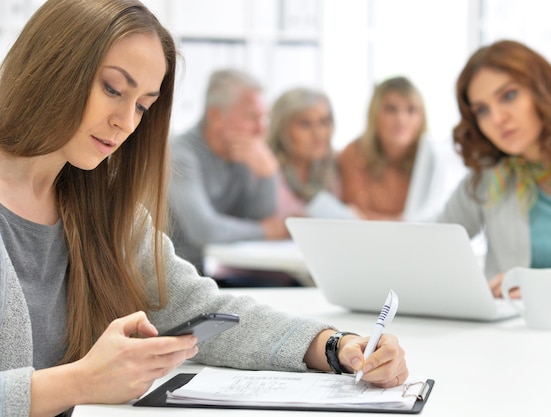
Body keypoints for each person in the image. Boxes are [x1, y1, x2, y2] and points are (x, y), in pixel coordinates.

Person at [0, 1, 408, 416]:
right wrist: (79, 382)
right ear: (53, 66)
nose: (126, 120)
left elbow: (204, 312)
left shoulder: (99, 204)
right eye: (112, 89)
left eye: (142, 105)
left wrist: (338, 347)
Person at [438, 39, 551, 345]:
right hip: (515, 352)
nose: (497, 119)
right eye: (482, 110)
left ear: (543, 91)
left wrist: (543, 292)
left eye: (508, 96)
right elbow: (431, 250)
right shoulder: (490, 179)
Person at [168, 68, 289, 274]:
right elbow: (204, 231)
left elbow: (257, 218)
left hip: (212, 273)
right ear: (215, 116)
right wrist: (268, 231)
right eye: (252, 118)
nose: (262, 130)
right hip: (174, 277)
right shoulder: (179, 154)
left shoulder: (239, 153)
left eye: (264, 118)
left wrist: (268, 174)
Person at [337, 76, 431, 220]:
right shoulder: (354, 153)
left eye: (411, 110)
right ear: (374, 114)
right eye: (391, 110)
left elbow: (433, 216)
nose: (401, 119)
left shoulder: (431, 158)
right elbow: (352, 216)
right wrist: (402, 222)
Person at [267, 87, 357, 219]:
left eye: (324, 122)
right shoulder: (267, 169)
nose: (318, 134)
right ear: (282, 128)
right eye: (305, 124)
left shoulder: (336, 165)